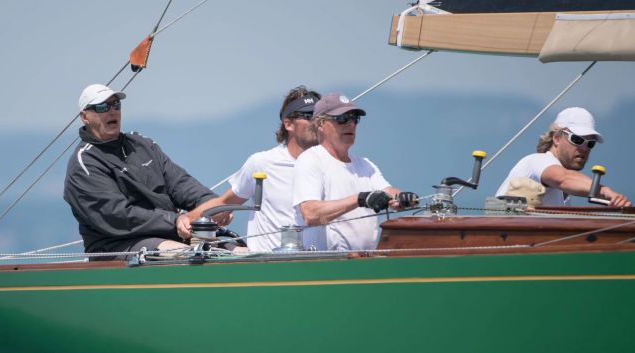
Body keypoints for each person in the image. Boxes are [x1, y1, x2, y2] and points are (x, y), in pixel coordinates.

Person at [63, 84, 228, 258]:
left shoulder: (142, 144)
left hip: (169, 234)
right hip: (116, 245)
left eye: (116, 105)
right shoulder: (84, 163)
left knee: (239, 251)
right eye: (102, 107)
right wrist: (174, 220)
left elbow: (181, 183)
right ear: (84, 117)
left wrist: (213, 206)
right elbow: (118, 216)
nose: (112, 111)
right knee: (192, 255)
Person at [180, 86, 321, 252]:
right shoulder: (262, 163)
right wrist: (188, 218)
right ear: (288, 124)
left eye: (321, 116)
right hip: (269, 266)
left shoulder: (333, 166)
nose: (317, 122)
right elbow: (225, 203)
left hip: (323, 264)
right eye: (309, 116)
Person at [292, 92, 418, 251]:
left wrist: (402, 198)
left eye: (354, 119)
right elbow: (310, 214)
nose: (351, 124)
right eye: (342, 119)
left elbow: (389, 191)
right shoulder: (310, 160)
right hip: (325, 264)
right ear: (320, 124)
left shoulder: (365, 164)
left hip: (363, 263)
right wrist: (359, 199)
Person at [495, 107, 630, 207]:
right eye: (577, 139)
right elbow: (563, 178)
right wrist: (605, 191)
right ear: (557, 138)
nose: (584, 148)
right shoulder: (538, 160)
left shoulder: (565, 195)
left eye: (590, 143)